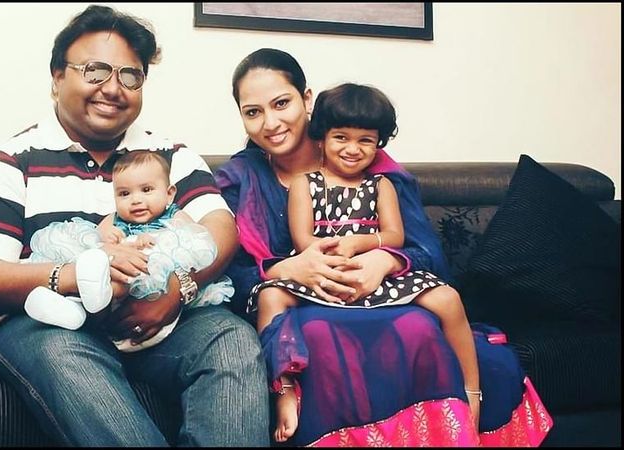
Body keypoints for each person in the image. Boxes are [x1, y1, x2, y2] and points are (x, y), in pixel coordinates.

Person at [0, 5, 268, 446]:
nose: (113, 89)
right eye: (94, 71)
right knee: (64, 352)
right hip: (50, 325)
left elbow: (220, 228)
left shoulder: (170, 156)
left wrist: (176, 292)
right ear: (57, 77)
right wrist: (77, 275)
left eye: (130, 76)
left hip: (160, 323)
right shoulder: (13, 160)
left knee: (230, 339)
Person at [215, 48, 552, 446]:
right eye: (253, 112)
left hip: (382, 295)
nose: (270, 123)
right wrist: (283, 268)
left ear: (306, 99)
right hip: (306, 305)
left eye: (281, 104)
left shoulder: (367, 162)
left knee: (417, 326)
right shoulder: (240, 180)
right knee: (316, 337)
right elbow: (227, 278)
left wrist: (384, 259)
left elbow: (430, 255)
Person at [252, 82, 480, 440]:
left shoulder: (381, 185)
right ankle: (284, 390)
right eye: (341, 137)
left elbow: (394, 236)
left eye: (365, 140)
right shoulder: (305, 184)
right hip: (322, 271)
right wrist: (331, 255)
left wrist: (361, 243)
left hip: (374, 272)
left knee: (448, 298)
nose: (352, 149)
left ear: (379, 144)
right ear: (322, 137)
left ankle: (470, 392)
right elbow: (302, 240)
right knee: (269, 297)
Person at [23, 149, 233, 353]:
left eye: (147, 190)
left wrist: (157, 239)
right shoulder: (115, 219)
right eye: (124, 194)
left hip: (153, 281)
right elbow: (98, 238)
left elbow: (193, 240)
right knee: (99, 270)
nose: (136, 200)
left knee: (116, 283)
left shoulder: (174, 215)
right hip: (116, 280)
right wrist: (109, 239)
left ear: (169, 194)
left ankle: (85, 305)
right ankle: (70, 309)